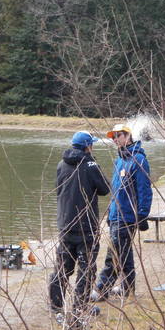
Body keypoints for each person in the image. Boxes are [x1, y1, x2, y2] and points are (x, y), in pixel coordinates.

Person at [49, 131, 110, 315]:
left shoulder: (61, 164)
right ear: (87, 146)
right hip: (86, 226)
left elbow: (59, 189)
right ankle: (80, 307)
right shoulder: (90, 165)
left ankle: (56, 306)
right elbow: (105, 189)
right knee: (87, 268)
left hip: (65, 224)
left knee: (62, 267)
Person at [92, 124, 153, 301]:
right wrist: (111, 214)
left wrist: (142, 214)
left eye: (118, 135)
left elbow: (145, 190)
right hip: (116, 215)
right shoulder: (120, 160)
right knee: (124, 253)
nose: (115, 139)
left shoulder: (139, 160)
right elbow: (116, 190)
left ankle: (101, 290)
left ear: (127, 136)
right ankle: (127, 288)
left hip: (128, 217)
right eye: (113, 137)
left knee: (114, 255)